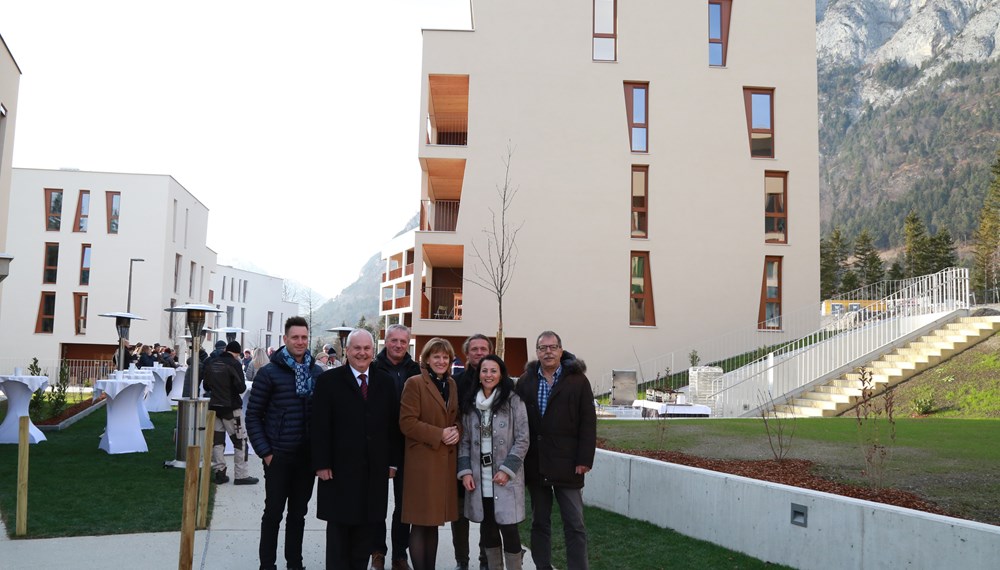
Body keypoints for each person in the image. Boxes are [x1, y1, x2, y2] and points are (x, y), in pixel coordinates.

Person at [312, 329, 402, 570]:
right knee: (339, 538)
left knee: (365, 536)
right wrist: (321, 463)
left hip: (374, 473)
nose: (362, 353)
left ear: (373, 351)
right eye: (357, 348)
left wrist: (392, 462)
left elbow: (393, 425)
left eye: (367, 348)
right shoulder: (328, 381)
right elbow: (319, 426)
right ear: (347, 351)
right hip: (338, 472)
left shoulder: (384, 381)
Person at [514, 331, 597, 570]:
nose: (547, 352)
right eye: (542, 348)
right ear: (537, 352)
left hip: (569, 464)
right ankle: (543, 566)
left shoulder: (578, 380)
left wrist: (584, 459)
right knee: (540, 523)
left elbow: (588, 422)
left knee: (575, 524)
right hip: (536, 464)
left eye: (552, 347)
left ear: (561, 350)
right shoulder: (526, 381)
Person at [245, 316, 323, 570]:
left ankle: (295, 563)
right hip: (278, 456)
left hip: (306, 458)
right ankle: (267, 564)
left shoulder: (316, 371)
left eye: (304, 337)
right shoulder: (269, 373)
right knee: (273, 514)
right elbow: (253, 415)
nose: (300, 342)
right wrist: (266, 453)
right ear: (285, 339)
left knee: (298, 515)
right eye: (295, 337)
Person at [458, 355, 529, 570]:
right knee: (488, 529)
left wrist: (507, 470)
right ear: (478, 375)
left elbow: (522, 439)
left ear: (501, 374)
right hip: (480, 479)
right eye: (484, 371)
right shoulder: (470, 404)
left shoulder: (514, 401)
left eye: (493, 371)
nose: (488, 375)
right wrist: (466, 472)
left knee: (509, 530)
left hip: (505, 478)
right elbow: (465, 441)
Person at [399, 338, 461, 570]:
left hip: (444, 463)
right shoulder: (414, 383)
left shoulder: (451, 384)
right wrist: (440, 434)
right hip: (422, 463)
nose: (441, 361)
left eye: (445, 357)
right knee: (420, 523)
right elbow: (407, 423)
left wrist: (457, 430)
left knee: (433, 523)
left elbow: (455, 417)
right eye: (436, 356)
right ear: (426, 359)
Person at [371, 324, 422, 570]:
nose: (398, 345)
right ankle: (377, 551)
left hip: (407, 446)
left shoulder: (416, 370)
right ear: (386, 341)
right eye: (394, 340)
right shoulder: (372, 367)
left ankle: (399, 555)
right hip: (378, 444)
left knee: (404, 505)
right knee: (377, 503)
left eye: (403, 341)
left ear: (408, 343)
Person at [451, 334, 493, 570]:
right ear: (467, 354)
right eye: (474, 349)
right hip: (462, 456)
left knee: (488, 513)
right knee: (460, 515)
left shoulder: (498, 380)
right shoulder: (455, 382)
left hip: (489, 461)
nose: (479, 352)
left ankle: (484, 560)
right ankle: (462, 560)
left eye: (483, 348)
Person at [204, 340, 258, 485]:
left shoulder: (212, 362)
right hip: (231, 408)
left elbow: (205, 385)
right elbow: (241, 387)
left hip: (214, 407)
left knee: (218, 442)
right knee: (240, 441)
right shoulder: (234, 364)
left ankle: (219, 473)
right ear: (237, 353)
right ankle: (241, 475)